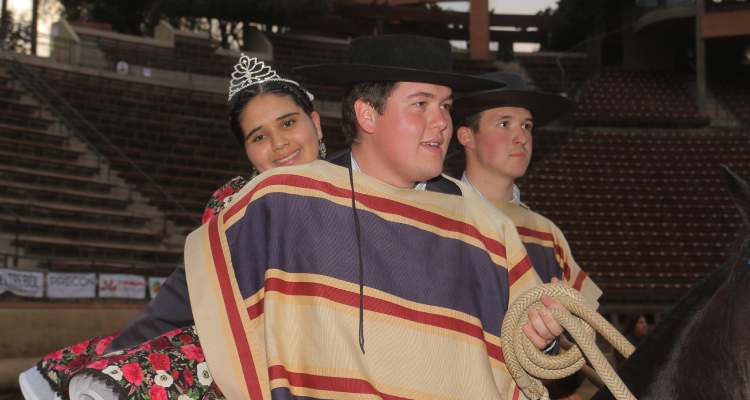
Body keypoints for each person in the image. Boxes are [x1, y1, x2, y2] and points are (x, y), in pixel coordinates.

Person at [181, 34, 566, 399]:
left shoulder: (484, 226)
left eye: (445, 106)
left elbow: (531, 350)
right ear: (367, 114)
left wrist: (541, 335)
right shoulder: (294, 202)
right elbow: (189, 307)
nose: (441, 122)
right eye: (421, 104)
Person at [26, 56, 325, 400]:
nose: (279, 143)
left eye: (288, 123)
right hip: (252, 370)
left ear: (315, 123)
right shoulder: (233, 206)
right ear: (247, 151)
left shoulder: (364, 183)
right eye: (259, 136)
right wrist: (116, 365)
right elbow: (183, 298)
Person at [452, 72, 603, 349]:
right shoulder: (437, 216)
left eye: (527, 126)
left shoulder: (547, 234)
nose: (521, 136)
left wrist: (549, 340)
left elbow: (581, 338)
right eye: (504, 123)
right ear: (466, 136)